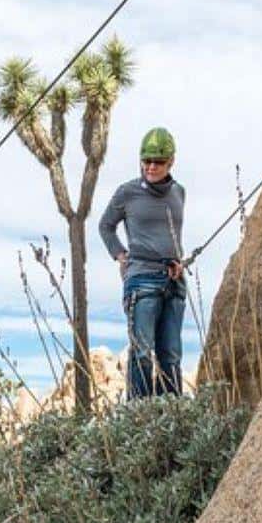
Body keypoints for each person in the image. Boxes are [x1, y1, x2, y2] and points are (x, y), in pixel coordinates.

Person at [99, 127, 187, 399]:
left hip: (174, 281)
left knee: (170, 355)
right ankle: (139, 418)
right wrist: (120, 255)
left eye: (158, 161)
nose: (150, 166)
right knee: (142, 353)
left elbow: (173, 235)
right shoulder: (127, 193)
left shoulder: (179, 192)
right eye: (146, 160)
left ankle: (172, 417)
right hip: (142, 280)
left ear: (171, 161)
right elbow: (106, 226)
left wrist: (179, 261)